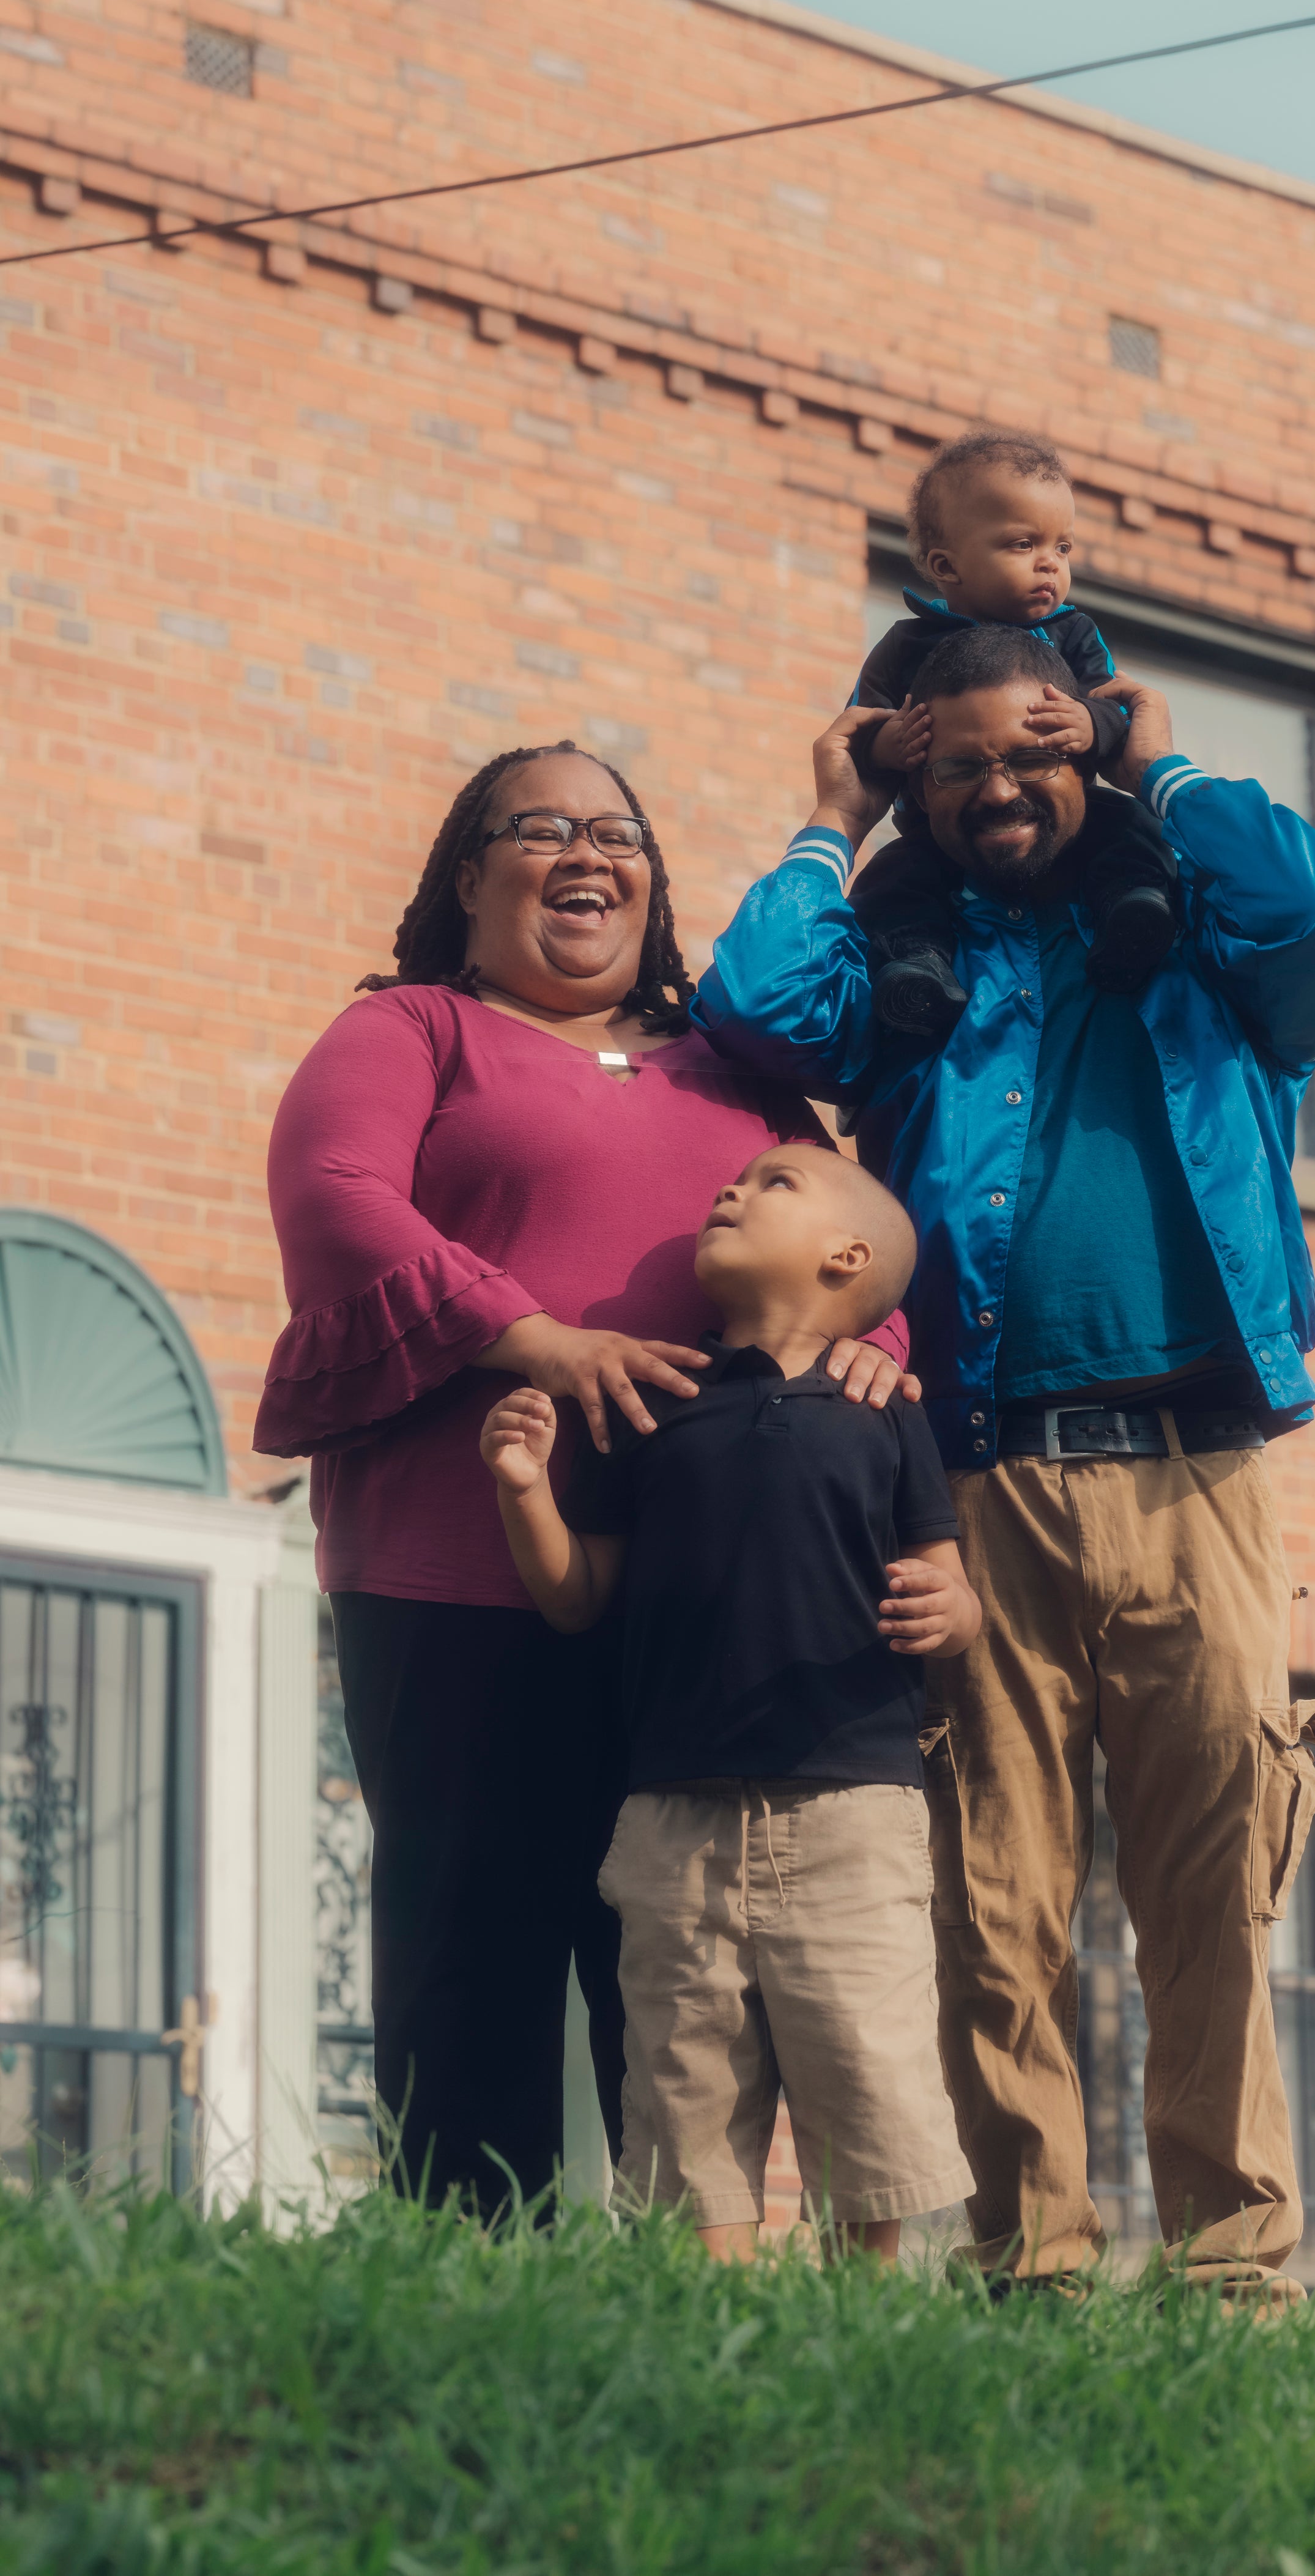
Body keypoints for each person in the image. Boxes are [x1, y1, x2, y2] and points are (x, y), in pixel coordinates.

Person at [695, 624, 1315, 2297]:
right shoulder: (911, 974)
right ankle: (1034, 2266)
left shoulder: (1212, 953)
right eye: (954, 763)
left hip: (1194, 1465)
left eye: (1033, 751)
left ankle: (1232, 2271)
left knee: (1212, 1881)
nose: (994, 785)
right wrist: (822, 821)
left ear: (1086, 752)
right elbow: (754, 1005)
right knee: (990, 1896)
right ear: (913, 781)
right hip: (972, 1475)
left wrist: (1171, 762)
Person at [254, 740, 913, 2217]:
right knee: (471, 1931)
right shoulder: (418, 1028)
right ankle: (465, 2257)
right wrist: (534, 1338)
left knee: (679, 1955)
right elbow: (334, 1193)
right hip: (454, 1565)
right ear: (468, 875)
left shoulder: (736, 1074)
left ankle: (691, 2268)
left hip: (695, 1601)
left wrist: (884, 1353)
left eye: (616, 830)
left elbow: (852, 1237)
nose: (584, 852)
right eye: (537, 827)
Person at [480, 1142, 979, 2259]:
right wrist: (524, 1496)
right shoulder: (655, 1405)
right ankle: (710, 2326)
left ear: (848, 1258)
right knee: (683, 2094)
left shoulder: (886, 1411)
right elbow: (579, 1595)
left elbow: (947, 1575)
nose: (732, 1190)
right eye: (737, 1182)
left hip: (850, 1813)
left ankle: (865, 2328)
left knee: (866, 2074)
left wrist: (953, 1616)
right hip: (673, 1818)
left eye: (776, 1184)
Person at [848, 429, 1179, 1035]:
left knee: (1131, 826)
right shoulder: (906, 646)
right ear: (948, 566)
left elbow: (1115, 708)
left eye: (1064, 547)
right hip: (942, 834)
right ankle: (915, 967)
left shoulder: (1074, 634)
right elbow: (858, 728)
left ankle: (1133, 909)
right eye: (1024, 543)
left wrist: (1092, 724)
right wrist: (886, 745)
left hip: (1063, 828)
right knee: (893, 879)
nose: (1051, 562)